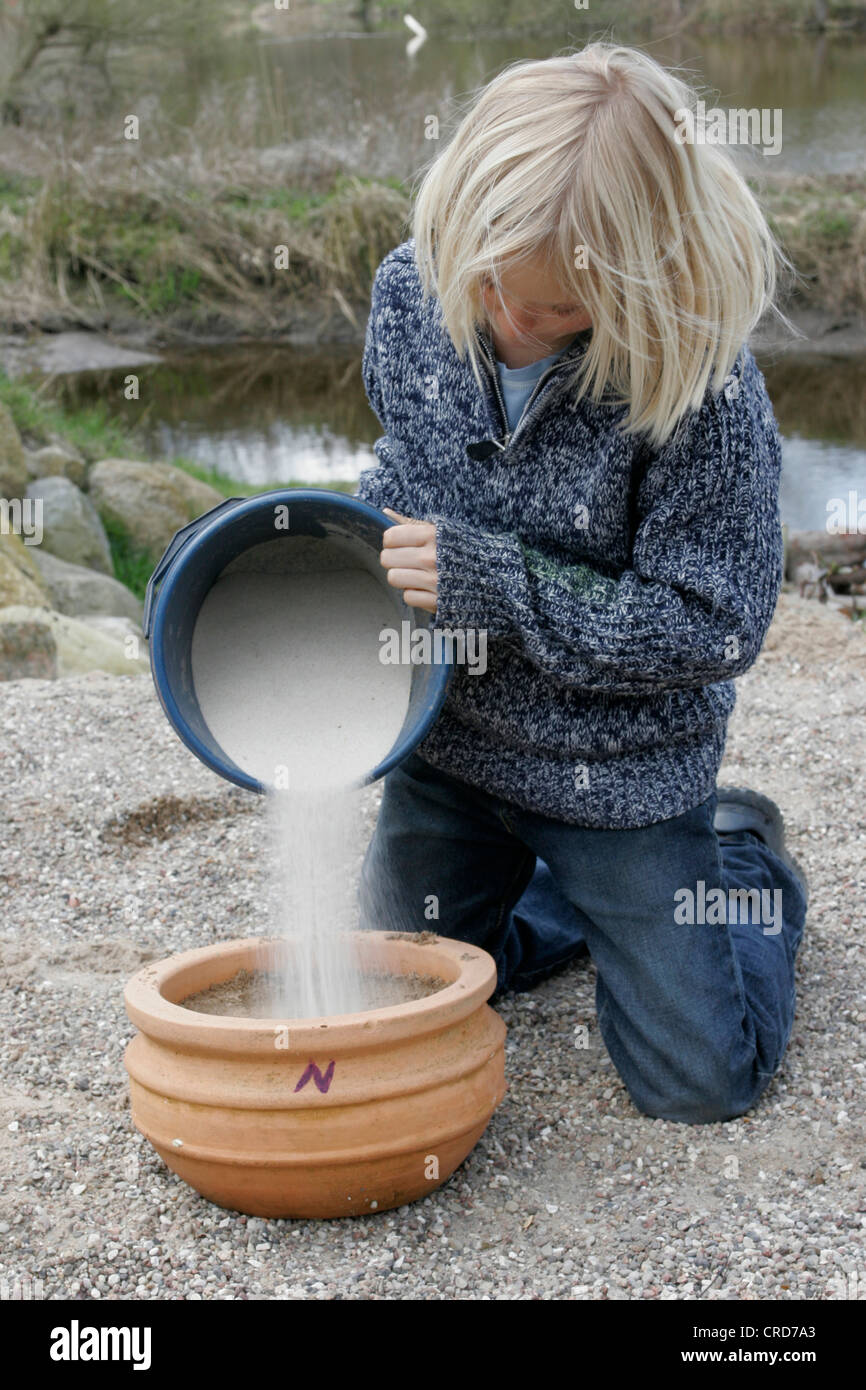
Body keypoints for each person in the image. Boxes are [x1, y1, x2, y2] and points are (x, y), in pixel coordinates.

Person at [356, 43, 808, 1125]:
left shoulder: (702, 388)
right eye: (488, 288)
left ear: (643, 279)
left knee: (697, 1086)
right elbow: (401, 472)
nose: (508, 321)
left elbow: (712, 623)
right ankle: (565, 906)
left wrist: (499, 590)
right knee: (395, 1004)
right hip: (450, 752)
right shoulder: (408, 289)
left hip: (620, 774)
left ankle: (738, 867)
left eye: (553, 311)